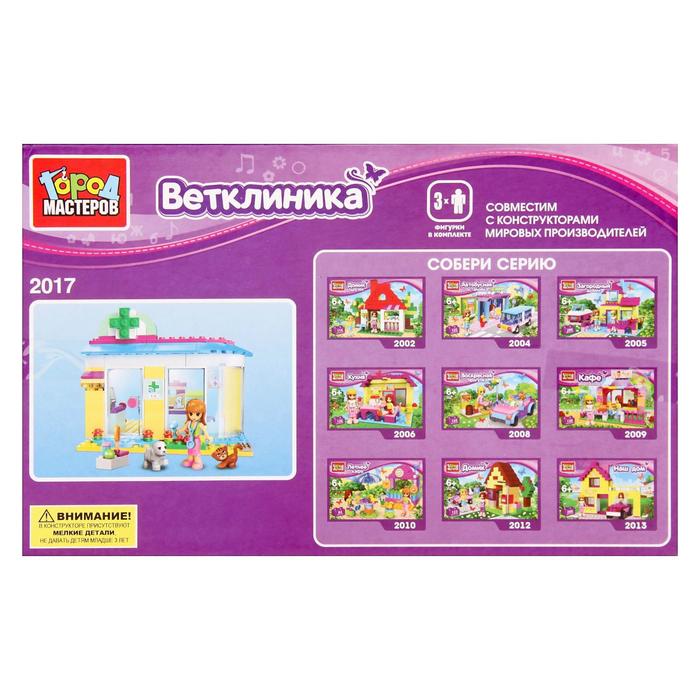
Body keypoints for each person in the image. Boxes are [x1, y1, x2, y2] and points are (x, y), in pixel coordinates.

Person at [178, 398, 210, 470]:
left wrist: (207, 436)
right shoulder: (188, 423)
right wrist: (178, 431)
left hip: (196, 440)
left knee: (196, 451)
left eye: (197, 414)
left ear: (202, 414)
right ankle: (190, 460)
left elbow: (205, 431)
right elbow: (183, 428)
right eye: (191, 414)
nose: (194, 416)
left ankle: (198, 462)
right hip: (190, 440)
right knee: (190, 451)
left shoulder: (199, 424)